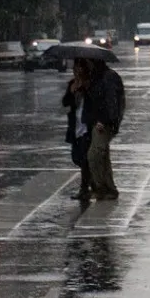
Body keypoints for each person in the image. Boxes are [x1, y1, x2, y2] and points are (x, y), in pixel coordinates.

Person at [85, 59, 123, 200]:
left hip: (103, 124)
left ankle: (102, 187)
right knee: (102, 156)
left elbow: (111, 101)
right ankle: (109, 188)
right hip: (97, 122)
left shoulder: (108, 77)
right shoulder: (95, 77)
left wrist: (104, 120)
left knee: (94, 155)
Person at [62, 59, 93, 201]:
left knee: (84, 158)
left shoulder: (90, 84)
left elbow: (95, 102)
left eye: (78, 68)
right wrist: (71, 91)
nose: (75, 70)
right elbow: (65, 102)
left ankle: (84, 188)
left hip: (87, 126)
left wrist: (83, 89)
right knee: (76, 157)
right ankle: (90, 179)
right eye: (74, 68)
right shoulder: (72, 83)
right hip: (75, 125)